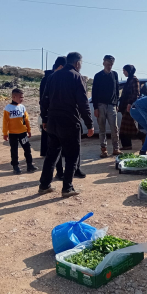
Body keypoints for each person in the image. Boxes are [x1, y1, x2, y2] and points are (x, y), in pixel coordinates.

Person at [39, 52, 94, 197]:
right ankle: (67, 188)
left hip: (53, 121)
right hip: (69, 122)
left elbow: (44, 100)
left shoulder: (52, 76)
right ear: (77, 63)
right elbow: (83, 103)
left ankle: (44, 185)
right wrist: (89, 124)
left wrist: (44, 119)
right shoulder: (77, 77)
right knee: (72, 155)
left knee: (52, 154)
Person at [40, 56, 66, 179]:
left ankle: (64, 172)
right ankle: (58, 172)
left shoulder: (61, 78)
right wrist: (44, 118)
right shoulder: (47, 79)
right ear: (60, 67)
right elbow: (43, 101)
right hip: (51, 117)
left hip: (62, 117)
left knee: (59, 147)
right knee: (54, 148)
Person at [3, 88, 37, 175]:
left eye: (23, 97)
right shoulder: (8, 108)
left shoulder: (22, 107)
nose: (22, 99)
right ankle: (15, 167)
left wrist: (28, 130)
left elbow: (26, 120)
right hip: (13, 134)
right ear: (14, 97)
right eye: (20, 97)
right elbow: (5, 122)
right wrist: (5, 133)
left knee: (27, 148)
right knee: (14, 150)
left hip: (23, 133)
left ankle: (29, 165)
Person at [92, 55, 121, 158]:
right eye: (108, 64)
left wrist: (116, 104)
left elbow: (117, 90)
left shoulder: (115, 74)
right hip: (101, 105)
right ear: (103, 63)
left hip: (112, 105)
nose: (109, 66)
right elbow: (94, 92)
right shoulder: (98, 76)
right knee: (102, 128)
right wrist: (95, 107)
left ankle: (116, 149)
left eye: (111, 64)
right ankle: (103, 150)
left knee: (114, 128)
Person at [118, 65, 140, 150]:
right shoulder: (129, 80)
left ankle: (127, 145)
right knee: (129, 127)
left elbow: (136, 93)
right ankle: (128, 144)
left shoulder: (134, 80)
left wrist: (130, 103)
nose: (124, 73)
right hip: (125, 106)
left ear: (129, 71)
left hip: (130, 106)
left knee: (125, 127)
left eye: (125, 71)